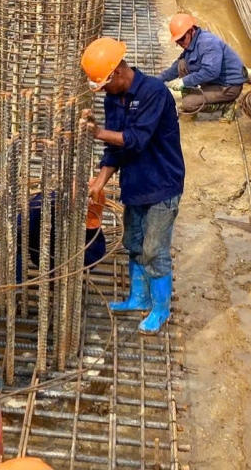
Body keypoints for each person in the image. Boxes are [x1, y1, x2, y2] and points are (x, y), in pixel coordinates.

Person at [80, 36, 185, 335]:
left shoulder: (154, 92)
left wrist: (98, 132)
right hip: (135, 183)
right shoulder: (114, 98)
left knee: (154, 250)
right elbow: (115, 148)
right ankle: (139, 298)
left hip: (162, 183)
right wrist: (99, 183)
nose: (103, 91)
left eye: (104, 84)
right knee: (134, 242)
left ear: (116, 73)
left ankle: (161, 309)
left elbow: (136, 140)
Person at [159, 13, 248, 115]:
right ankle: (195, 97)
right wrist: (156, 80)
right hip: (215, 80)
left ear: (191, 31)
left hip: (228, 87)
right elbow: (175, 68)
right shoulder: (192, 42)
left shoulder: (207, 43)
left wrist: (184, 82)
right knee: (182, 63)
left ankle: (227, 105)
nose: (181, 43)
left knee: (189, 103)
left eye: (182, 39)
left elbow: (211, 71)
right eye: (178, 41)